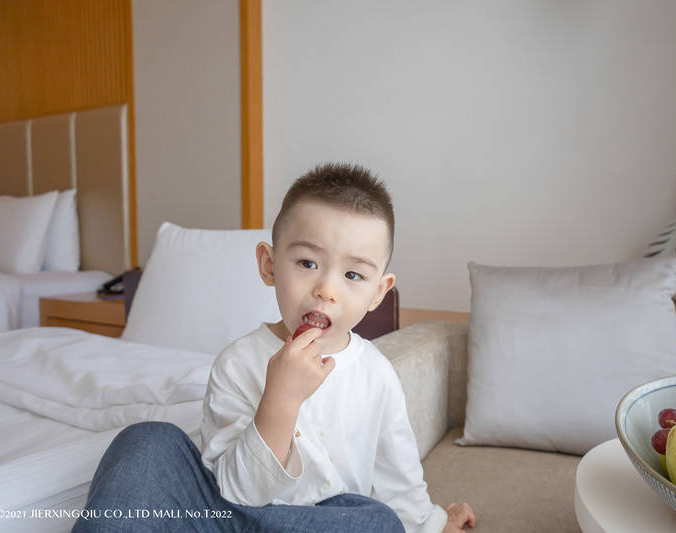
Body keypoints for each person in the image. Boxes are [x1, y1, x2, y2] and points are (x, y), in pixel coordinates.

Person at [72, 163, 475, 533]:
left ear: (377, 293)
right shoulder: (237, 363)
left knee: (379, 523)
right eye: (307, 263)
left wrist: (431, 522)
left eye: (353, 274)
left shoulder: (376, 374)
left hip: (319, 522)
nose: (326, 290)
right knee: (147, 442)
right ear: (268, 264)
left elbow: (397, 478)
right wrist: (281, 398)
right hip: (226, 516)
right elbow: (235, 492)